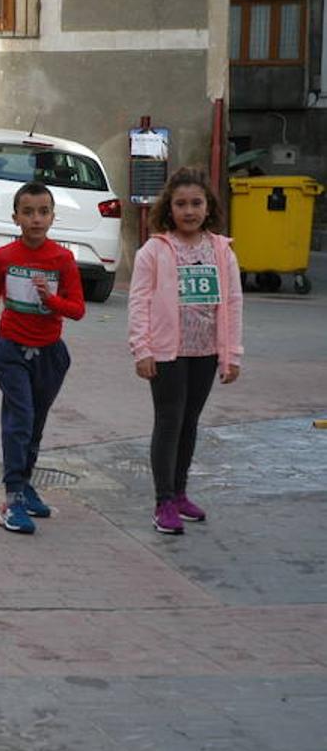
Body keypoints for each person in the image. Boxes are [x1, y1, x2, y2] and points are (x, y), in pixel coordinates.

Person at [128, 168, 243, 534]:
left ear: (209, 207)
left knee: (189, 423)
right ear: (169, 208)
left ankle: (180, 494)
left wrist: (231, 354)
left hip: (206, 352)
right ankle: (163, 503)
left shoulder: (222, 251)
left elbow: (233, 302)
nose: (189, 210)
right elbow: (139, 302)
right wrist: (141, 349)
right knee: (169, 421)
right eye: (181, 204)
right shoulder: (154, 250)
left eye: (196, 203)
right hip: (166, 353)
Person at [0, 181, 85, 535]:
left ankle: (25, 484)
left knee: (35, 423)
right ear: (15, 217)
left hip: (50, 354)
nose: (36, 219)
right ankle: (12, 498)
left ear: (53, 216)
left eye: (43, 212)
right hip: (10, 350)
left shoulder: (62, 259)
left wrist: (50, 301)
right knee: (19, 418)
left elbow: (79, 309)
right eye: (28, 212)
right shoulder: (4, 257)